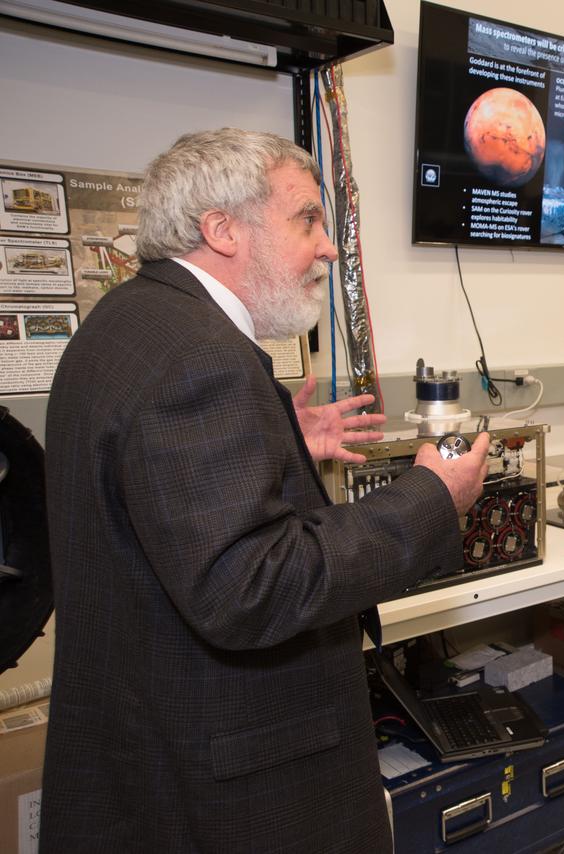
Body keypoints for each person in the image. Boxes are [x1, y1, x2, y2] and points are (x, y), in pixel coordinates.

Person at [40, 128, 490, 852]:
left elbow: (155, 490)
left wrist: (277, 439)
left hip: (145, 749)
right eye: (306, 219)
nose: (329, 247)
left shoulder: (126, 322)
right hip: (231, 782)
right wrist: (431, 495)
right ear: (221, 230)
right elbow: (251, 586)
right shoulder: (201, 357)